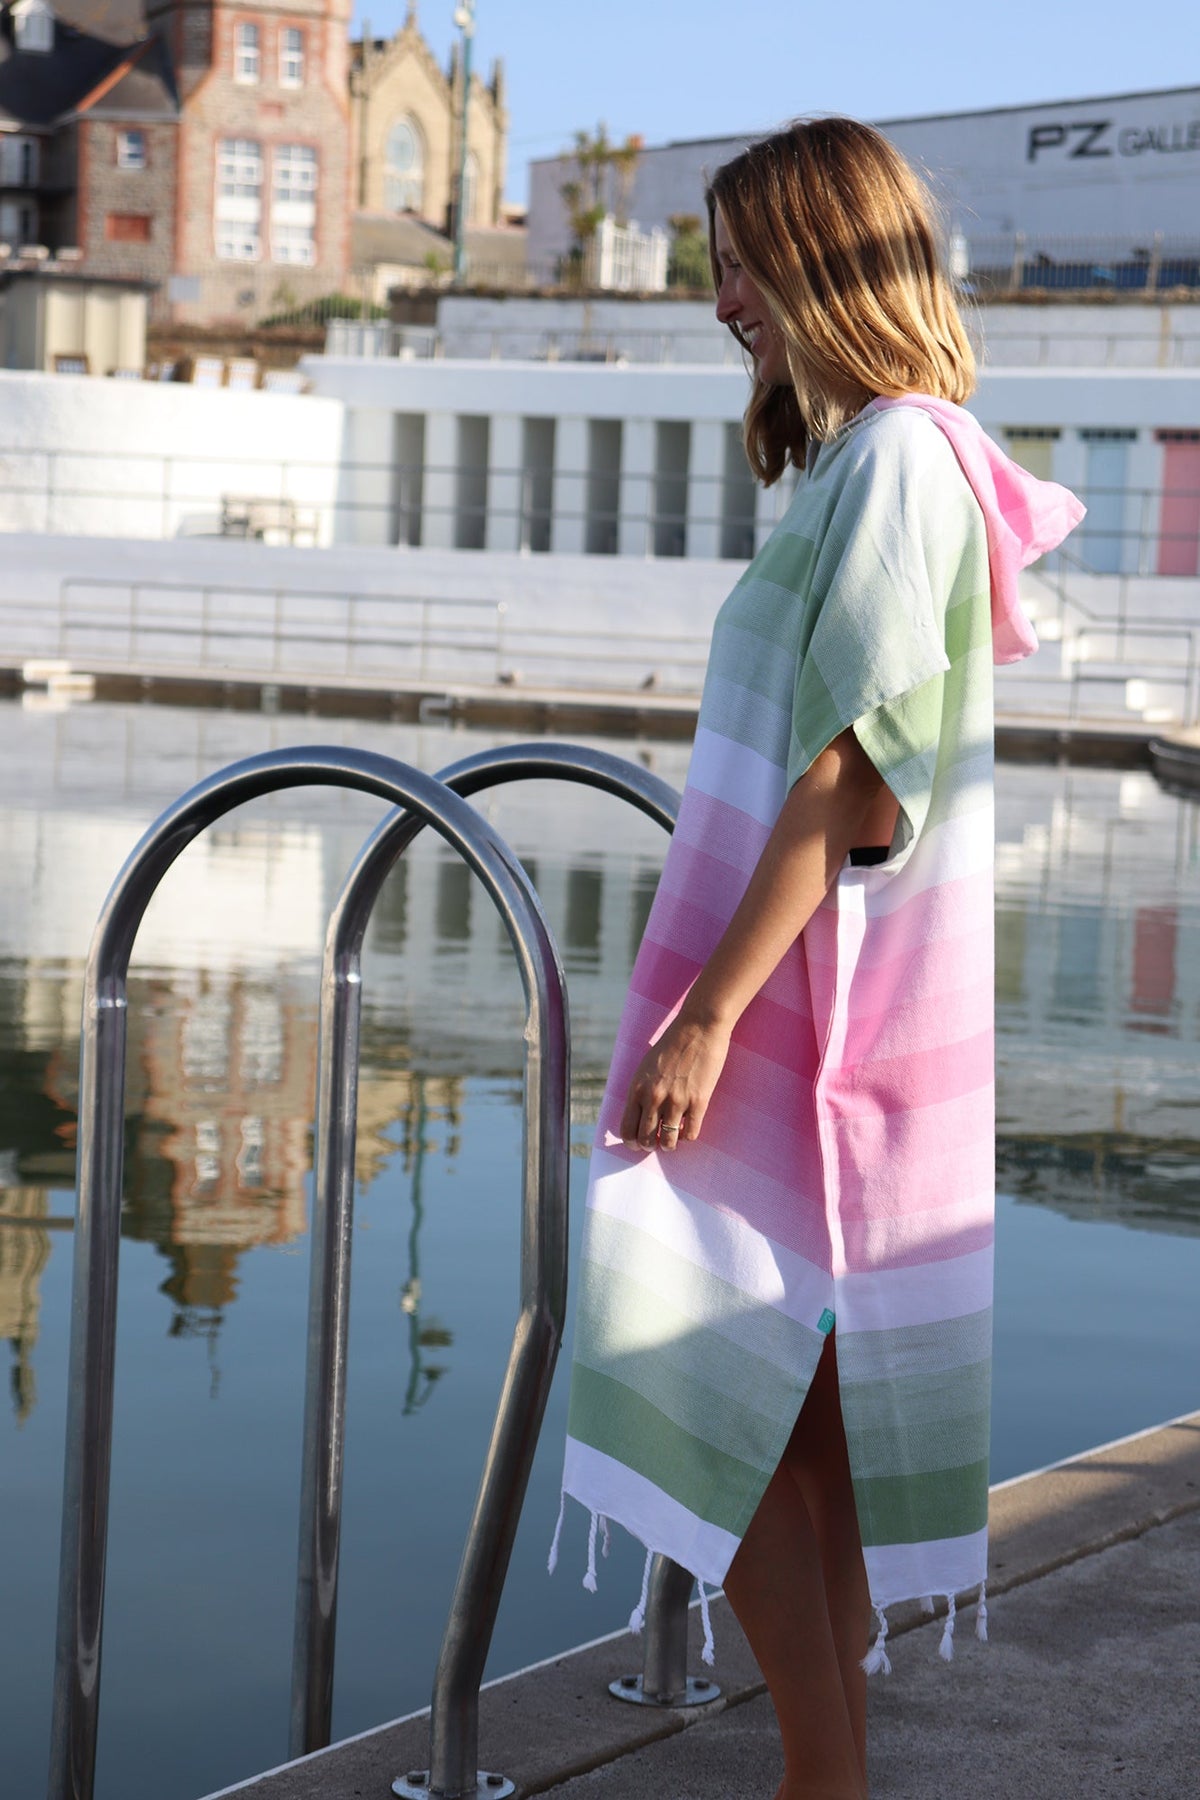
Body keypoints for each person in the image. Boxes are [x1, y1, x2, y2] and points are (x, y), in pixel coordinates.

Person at [551, 117, 1083, 1800]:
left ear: (822, 259)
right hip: (825, 1000)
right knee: (804, 1408)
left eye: (741, 266)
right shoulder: (874, 461)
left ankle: (818, 1774)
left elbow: (856, 776)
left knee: (720, 1376)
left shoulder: (901, 459)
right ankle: (826, 1770)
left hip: (801, 1013)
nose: (724, 302)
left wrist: (706, 1013)